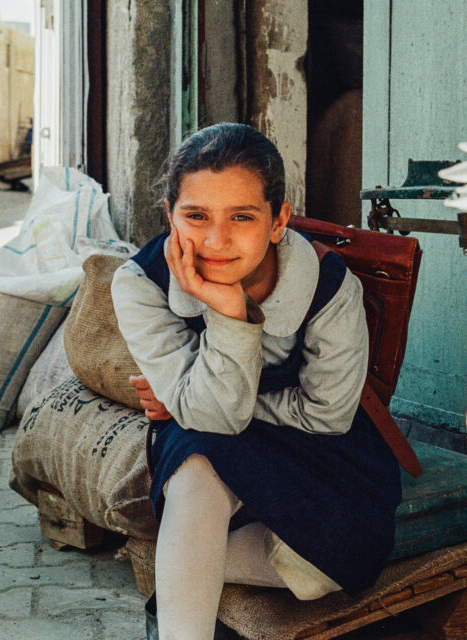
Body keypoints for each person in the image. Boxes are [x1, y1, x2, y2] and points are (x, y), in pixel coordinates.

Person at [111, 123, 402, 640]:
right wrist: (228, 312)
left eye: (242, 217)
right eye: (196, 216)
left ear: (278, 221)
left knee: (348, 555)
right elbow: (212, 418)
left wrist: (189, 399)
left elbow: (327, 415)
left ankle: (186, 565)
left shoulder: (329, 287)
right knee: (198, 460)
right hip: (204, 439)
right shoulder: (140, 284)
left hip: (318, 446)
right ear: (169, 214)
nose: (217, 240)